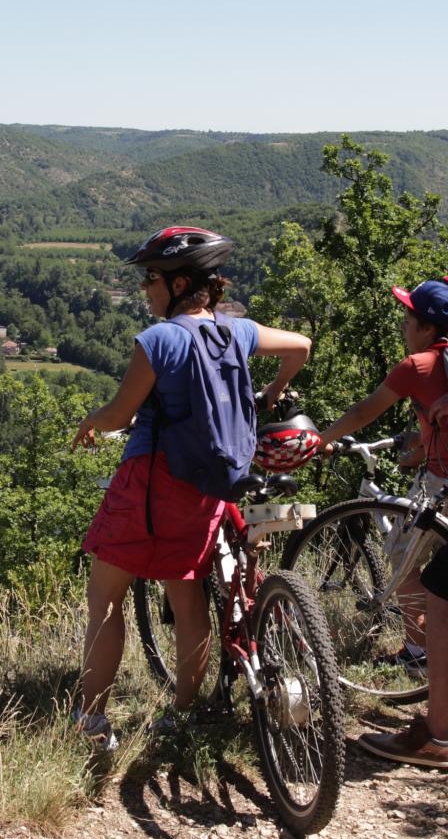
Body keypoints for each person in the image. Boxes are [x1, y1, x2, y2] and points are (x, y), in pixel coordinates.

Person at [71, 226, 311, 749]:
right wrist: (273, 392)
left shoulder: (159, 340)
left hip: (151, 484)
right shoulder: (237, 332)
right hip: (208, 489)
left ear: (180, 284)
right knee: (187, 599)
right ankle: (183, 713)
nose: (146, 289)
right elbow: (301, 346)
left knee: (104, 600)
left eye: (151, 279)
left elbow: (121, 414)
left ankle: (91, 722)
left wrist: (91, 422)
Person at [317, 277, 448, 769]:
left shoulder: (418, 364)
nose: (401, 324)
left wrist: (321, 440)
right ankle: (419, 654)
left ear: (425, 326)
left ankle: (427, 690)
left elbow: (362, 411)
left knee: (422, 573)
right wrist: (416, 448)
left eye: (407, 317)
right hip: (434, 477)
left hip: (443, 490)